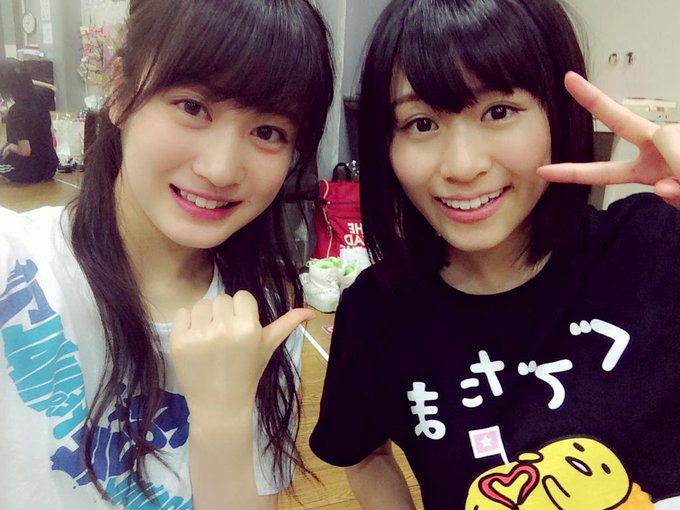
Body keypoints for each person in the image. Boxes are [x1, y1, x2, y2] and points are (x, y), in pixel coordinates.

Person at [309, 0, 680, 508]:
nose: (463, 166)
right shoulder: (376, 311)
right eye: (421, 123)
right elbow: (362, 451)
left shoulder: (655, 244)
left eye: (498, 112)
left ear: (557, 113)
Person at [0, 0, 333, 508]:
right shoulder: (15, 264)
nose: (221, 169)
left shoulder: (260, 320)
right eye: (193, 107)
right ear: (120, 90)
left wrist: (222, 417)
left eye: (267, 132)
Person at [0, 58, 59, 183]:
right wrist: (25, 80)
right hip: (50, 167)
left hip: (29, 171)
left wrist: (11, 147)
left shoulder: (16, 112)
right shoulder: (43, 95)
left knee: (5, 149)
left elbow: (25, 151)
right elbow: (52, 88)